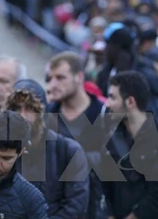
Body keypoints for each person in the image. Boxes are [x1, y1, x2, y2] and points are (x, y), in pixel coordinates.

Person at [102, 71, 158, 219]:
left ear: (130, 102)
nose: (107, 103)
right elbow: (104, 184)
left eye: (112, 97)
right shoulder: (111, 138)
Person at [5, 79, 90, 218]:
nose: (22, 115)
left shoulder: (68, 151)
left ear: (42, 113)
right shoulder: (3, 151)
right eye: (16, 108)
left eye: (29, 108)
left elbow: (76, 207)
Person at [45, 51, 108, 218]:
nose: (53, 85)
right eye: (50, 78)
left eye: (60, 78)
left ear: (79, 77)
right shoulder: (47, 117)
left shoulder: (103, 113)